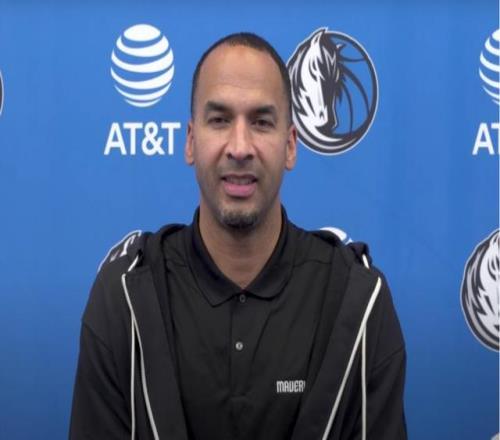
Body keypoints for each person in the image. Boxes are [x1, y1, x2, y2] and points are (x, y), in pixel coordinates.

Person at [69, 32, 407, 440]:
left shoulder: (359, 301)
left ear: (290, 145)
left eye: (261, 122)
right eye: (220, 120)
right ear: (190, 141)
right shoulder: (123, 300)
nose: (240, 147)